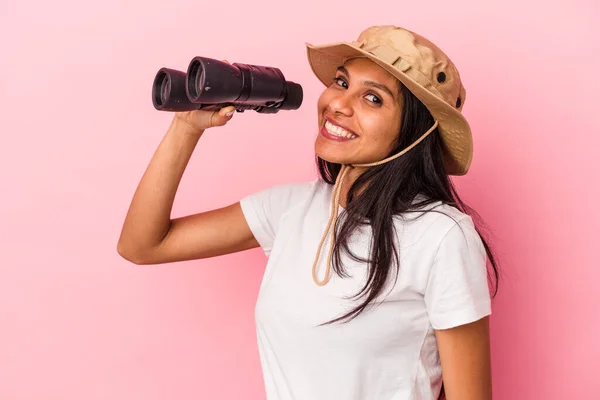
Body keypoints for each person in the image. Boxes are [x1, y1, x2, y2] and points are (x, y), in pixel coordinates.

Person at [118, 25, 499, 400]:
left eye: (374, 99)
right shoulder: (289, 209)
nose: (337, 104)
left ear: (415, 132)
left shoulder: (442, 236)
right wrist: (187, 126)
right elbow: (143, 245)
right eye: (341, 82)